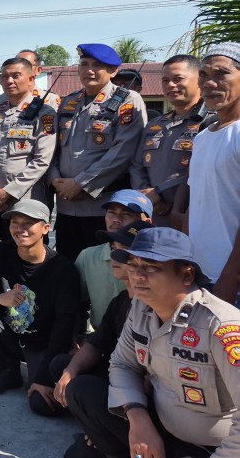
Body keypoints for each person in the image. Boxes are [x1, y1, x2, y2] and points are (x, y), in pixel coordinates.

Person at [86, 228, 240, 457]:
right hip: (160, 428)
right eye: (133, 265)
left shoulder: (220, 325)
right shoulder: (140, 306)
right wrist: (137, 416)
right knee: (82, 391)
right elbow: (122, 364)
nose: (137, 275)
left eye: (151, 267)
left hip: (214, 448)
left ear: (187, 276)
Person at [0, 200, 81, 397]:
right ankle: (6, 368)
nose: (20, 229)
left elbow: (64, 324)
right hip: (8, 334)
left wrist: (43, 378)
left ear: (45, 228)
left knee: (40, 402)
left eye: (28, 223)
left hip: (41, 343)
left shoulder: (63, 269)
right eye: (15, 222)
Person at [50, 43, 148, 263]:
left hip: (103, 209)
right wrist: (55, 180)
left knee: (103, 270)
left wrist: (81, 184)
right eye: (84, 64)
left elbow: (122, 152)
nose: (89, 70)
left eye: (97, 65)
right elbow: (53, 148)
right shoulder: (68, 102)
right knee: (68, 269)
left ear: (113, 71)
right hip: (66, 205)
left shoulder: (127, 100)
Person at [47, 221, 149, 425]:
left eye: (125, 252)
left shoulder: (153, 306)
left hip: (140, 390)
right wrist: (71, 371)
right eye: (114, 249)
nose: (115, 257)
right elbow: (97, 343)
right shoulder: (120, 301)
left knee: (80, 388)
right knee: (62, 366)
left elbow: (152, 377)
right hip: (119, 372)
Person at [0, 57, 58, 239]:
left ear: (31, 79)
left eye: (16, 76)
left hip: (25, 202)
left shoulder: (44, 113)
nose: (9, 81)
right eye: (5, 77)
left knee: (23, 257)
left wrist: (7, 193)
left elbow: (42, 160)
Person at [188, 42, 240, 304]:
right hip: (202, 275)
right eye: (204, 75)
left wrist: (230, 281)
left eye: (222, 74)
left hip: (231, 283)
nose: (209, 83)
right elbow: (196, 204)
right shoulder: (204, 136)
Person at [130, 54, 207, 226]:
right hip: (151, 215)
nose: (171, 85)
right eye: (165, 80)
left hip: (188, 216)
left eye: (178, 79)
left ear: (199, 79)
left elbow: (203, 171)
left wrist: (161, 193)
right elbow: (136, 165)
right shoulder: (155, 125)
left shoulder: (211, 123)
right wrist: (146, 197)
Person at [74, 190, 152, 331]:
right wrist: (77, 339)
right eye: (111, 213)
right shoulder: (88, 256)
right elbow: (76, 304)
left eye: (126, 214)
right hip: (101, 337)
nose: (116, 219)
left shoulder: (157, 261)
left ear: (146, 222)